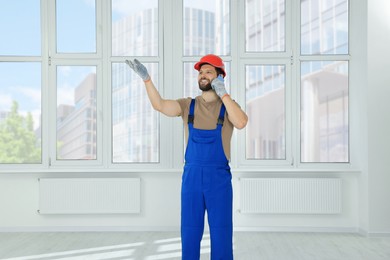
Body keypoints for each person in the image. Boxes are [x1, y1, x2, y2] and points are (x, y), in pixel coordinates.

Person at [126, 54, 248, 260]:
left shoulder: (228, 106)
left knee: (221, 232)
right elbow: (160, 105)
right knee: (190, 232)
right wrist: (147, 79)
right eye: (200, 72)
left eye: (208, 71)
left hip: (218, 179)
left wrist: (224, 95)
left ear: (220, 76)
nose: (202, 75)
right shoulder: (188, 105)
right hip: (191, 178)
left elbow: (242, 122)